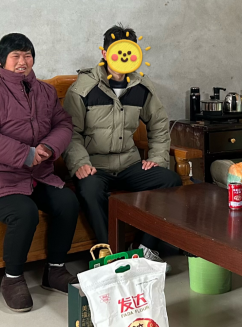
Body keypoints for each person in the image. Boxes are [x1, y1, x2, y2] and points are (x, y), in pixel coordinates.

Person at [0, 33, 79, 313]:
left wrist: (49, 147)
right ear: (1, 61)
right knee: (24, 212)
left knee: (68, 201)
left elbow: (63, 124)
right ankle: (12, 279)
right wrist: (25, 154)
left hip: (37, 175)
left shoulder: (46, 92)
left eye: (27, 55)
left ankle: (55, 270)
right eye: (15, 56)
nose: (22, 61)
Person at [63, 24, 181, 264]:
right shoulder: (83, 88)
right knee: (90, 189)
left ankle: (145, 248)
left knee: (170, 180)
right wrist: (80, 163)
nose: (124, 57)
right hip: (95, 166)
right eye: (118, 51)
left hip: (129, 165)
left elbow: (159, 124)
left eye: (130, 51)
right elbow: (69, 132)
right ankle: (109, 252)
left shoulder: (141, 87)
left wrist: (157, 159)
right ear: (105, 53)